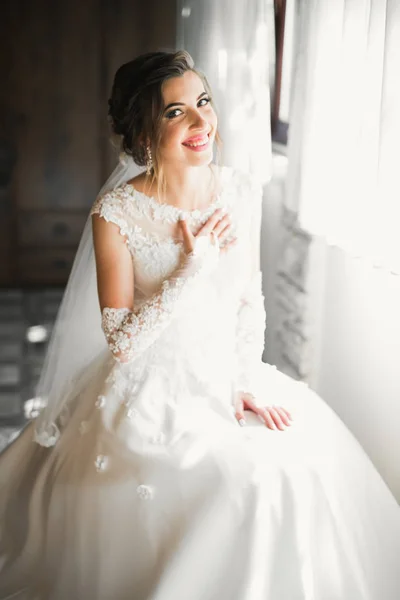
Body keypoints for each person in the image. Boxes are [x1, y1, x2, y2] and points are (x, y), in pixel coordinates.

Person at [1, 50, 400, 600]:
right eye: (175, 112)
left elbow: (249, 301)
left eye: (204, 102)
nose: (200, 122)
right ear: (143, 129)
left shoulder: (240, 191)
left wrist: (244, 383)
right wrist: (192, 269)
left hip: (225, 374)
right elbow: (120, 343)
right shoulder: (115, 213)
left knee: (292, 467)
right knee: (232, 484)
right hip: (145, 390)